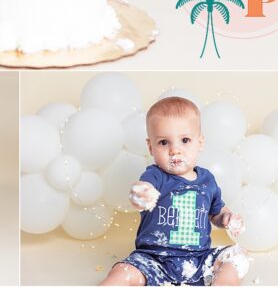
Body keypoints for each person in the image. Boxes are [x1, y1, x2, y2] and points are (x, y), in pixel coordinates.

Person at [100, 96, 248, 286]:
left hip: (198, 260)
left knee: (236, 256)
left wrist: (227, 218)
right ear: (150, 147)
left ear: (200, 143)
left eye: (185, 140)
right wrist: (141, 194)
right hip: (153, 260)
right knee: (123, 271)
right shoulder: (155, 176)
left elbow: (216, 212)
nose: (174, 150)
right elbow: (142, 190)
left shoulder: (207, 180)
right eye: (164, 142)